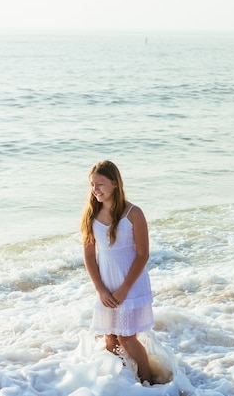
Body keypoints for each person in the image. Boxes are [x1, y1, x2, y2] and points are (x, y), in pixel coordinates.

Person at [80, 160, 154, 384]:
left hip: (130, 283)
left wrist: (124, 289)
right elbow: (89, 257)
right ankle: (121, 383)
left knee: (126, 336)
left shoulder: (134, 213)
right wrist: (100, 289)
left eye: (100, 184)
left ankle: (147, 382)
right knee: (110, 337)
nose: (96, 190)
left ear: (114, 183)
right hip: (106, 284)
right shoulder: (91, 215)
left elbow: (143, 255)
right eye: (92, 185)